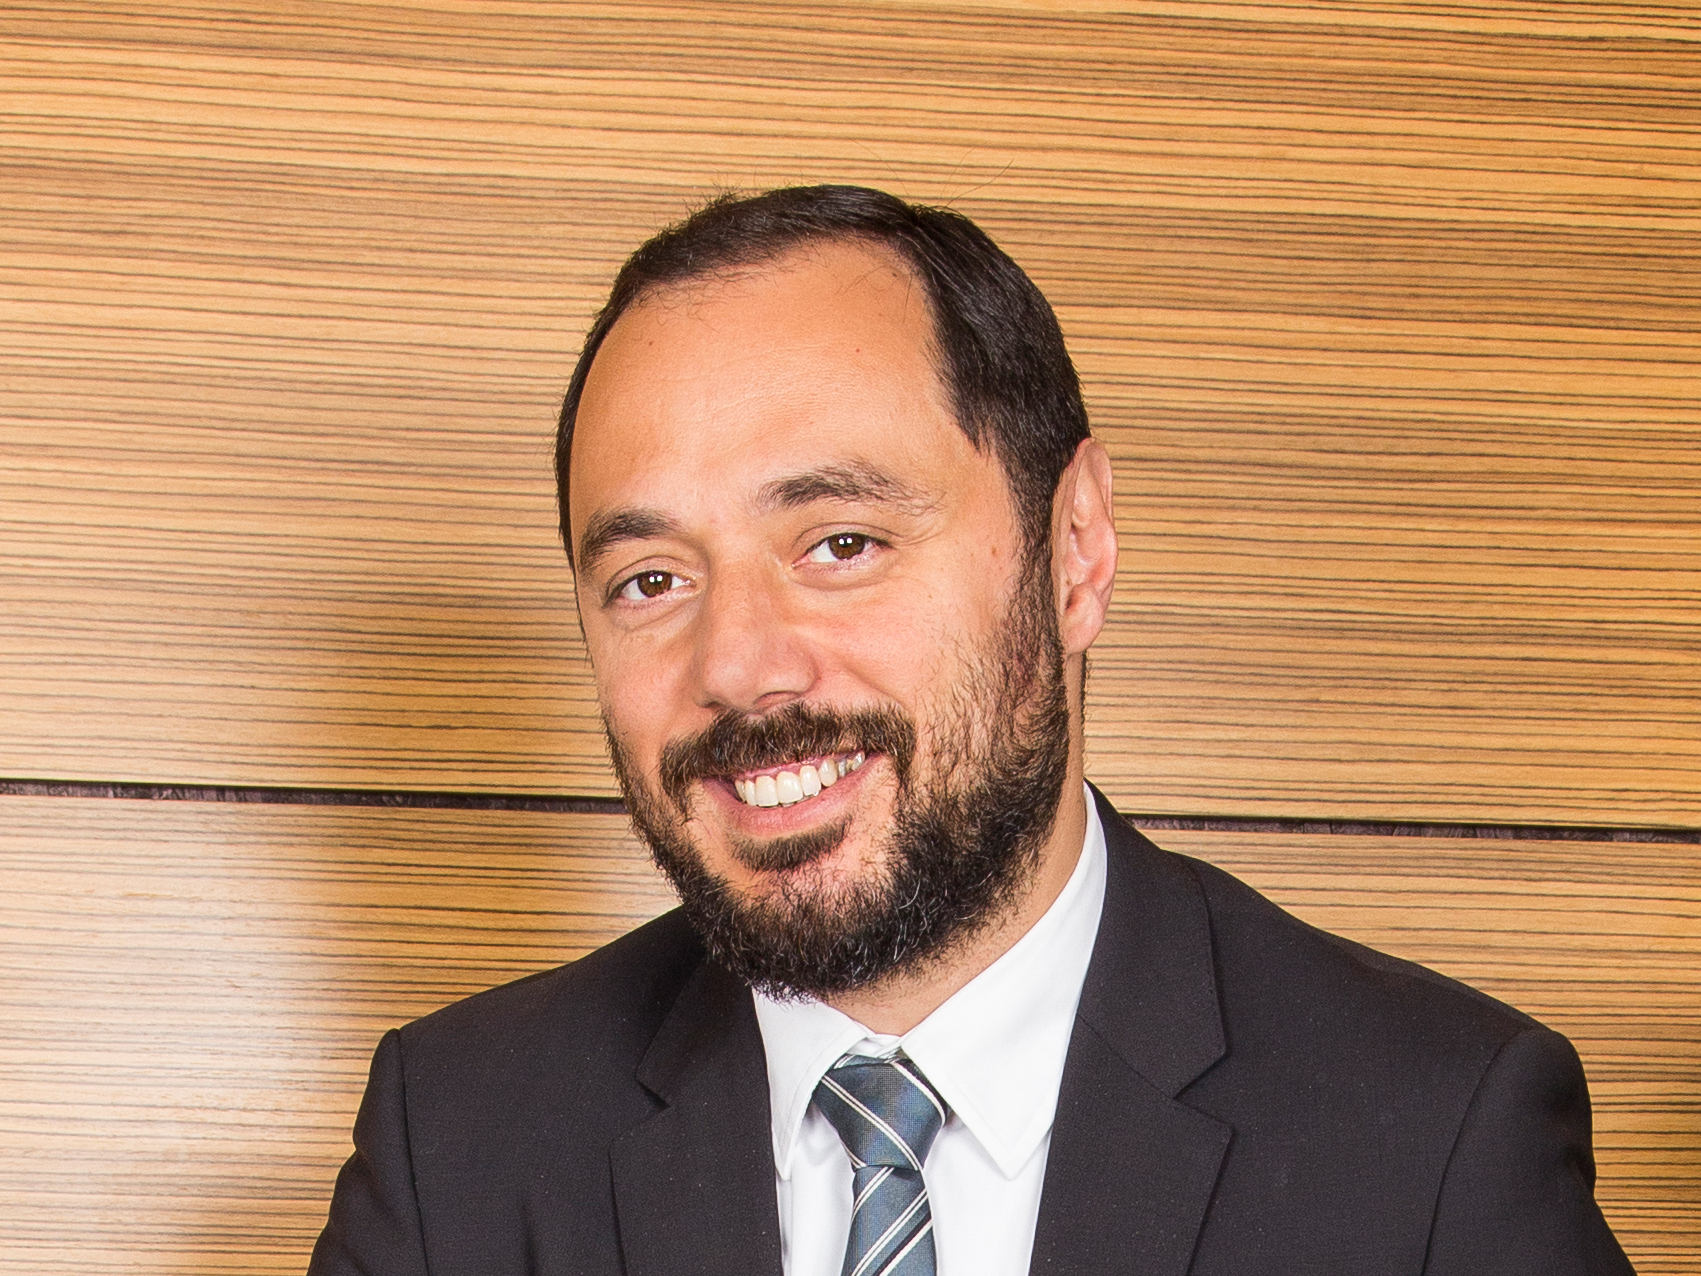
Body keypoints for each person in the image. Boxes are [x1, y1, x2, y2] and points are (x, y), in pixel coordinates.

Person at [307, 185, 1633, 1275]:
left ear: (1074, 549)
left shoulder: (1434, 1141)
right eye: (650, 580)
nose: (739, 666)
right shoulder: (457, 1151)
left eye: (840, 542)